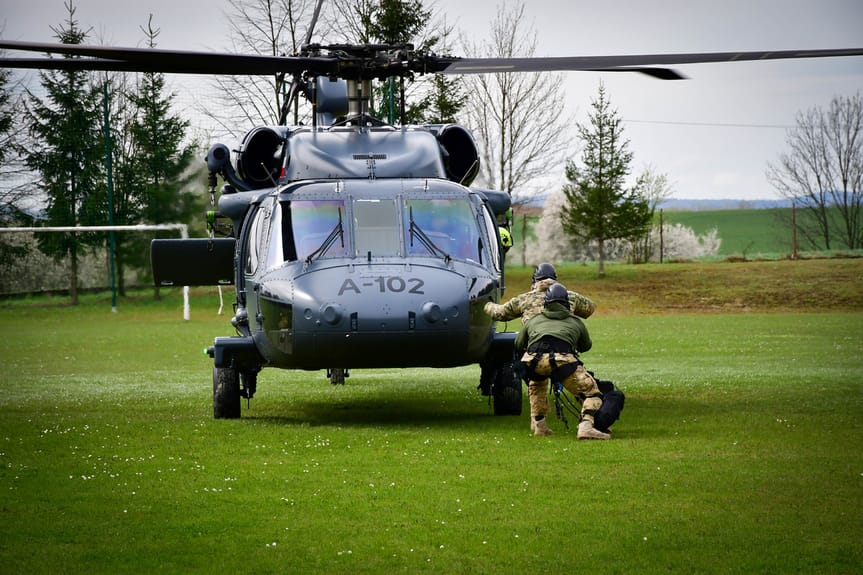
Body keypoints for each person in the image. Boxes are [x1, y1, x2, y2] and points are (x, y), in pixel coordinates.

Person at [515, 282, 610, 440]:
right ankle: (586, 426)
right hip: (562, 361)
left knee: (537, 386)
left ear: (546, 303)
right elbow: (586, 346)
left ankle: (540, 427)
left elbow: (518, 344)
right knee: (593, 394)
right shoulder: (575, 322)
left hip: (532, 361)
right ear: (567, 303)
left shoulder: (534, 320)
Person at [483, 262, 595, 323]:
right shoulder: (570, 296)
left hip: (534, 351)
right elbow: (590, 309)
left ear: (534, 281)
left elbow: (500, 313)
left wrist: (486, 304)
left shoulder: (524, 299)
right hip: (565, 349)